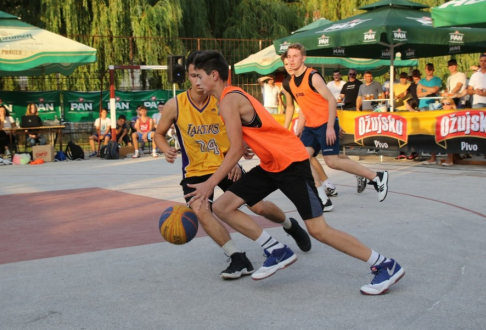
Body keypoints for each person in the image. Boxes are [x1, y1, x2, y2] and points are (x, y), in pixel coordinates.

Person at [188, 50, 404, 295]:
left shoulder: (228, 99)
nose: (195, 81)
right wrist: (251, 145)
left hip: (291, 163)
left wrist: (209, 184)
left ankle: (384, 264)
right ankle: (276, 250)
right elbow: (254, 131)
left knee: (319, 230)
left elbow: (235, 148)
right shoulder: (227, 98)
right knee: (222, 206)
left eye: (198, 75)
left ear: (213, 75)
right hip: (272, 164)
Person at [154, 50, 311, 279]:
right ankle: (237, 257)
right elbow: (158, 134)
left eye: (200, 75)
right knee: (200, 209)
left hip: (226, 165)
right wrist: (165, 148)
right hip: (195, 170)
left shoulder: (222, 99)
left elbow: (240, 131)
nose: (197, 81)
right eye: (192, 76)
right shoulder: (175, 105)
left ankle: (289, 224)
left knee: (258, 207)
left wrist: (241, 151)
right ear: (187, 76)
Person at [285, 44, 389, 201]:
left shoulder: (313, 76)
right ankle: (322, 198)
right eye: (289, 56)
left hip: (325, 123)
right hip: (310, 126)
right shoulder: (292, 82)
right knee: (302, 158)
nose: (291, 60)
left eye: (295, 56)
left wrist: (330, 127)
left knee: (332, 161)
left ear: (303, 58)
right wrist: (299, 128)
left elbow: (332, 100)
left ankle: (376, 177)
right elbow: (304, 108)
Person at [280, 53, 338, 201]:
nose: (290, 66)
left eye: (291, 61)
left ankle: (330, 183)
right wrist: (286, 129)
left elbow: (325, 102)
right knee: (305, 155)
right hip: (306, 120)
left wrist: (334, 124)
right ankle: (325, 186)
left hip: (323, 120)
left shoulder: (311, 76)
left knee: (331, 158)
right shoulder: (288, 84)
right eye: (286, 64)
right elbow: (291, 107)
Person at [422, 97, 457, 167]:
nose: (445, 106)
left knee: (449, 138)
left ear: (452, 105)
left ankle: (449, 160)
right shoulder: (439, 112)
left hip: (452, 132)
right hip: (441, 131)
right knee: (432, 136)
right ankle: (433, 159)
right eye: (443, 104)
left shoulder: (456, 112)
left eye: (448, 104)